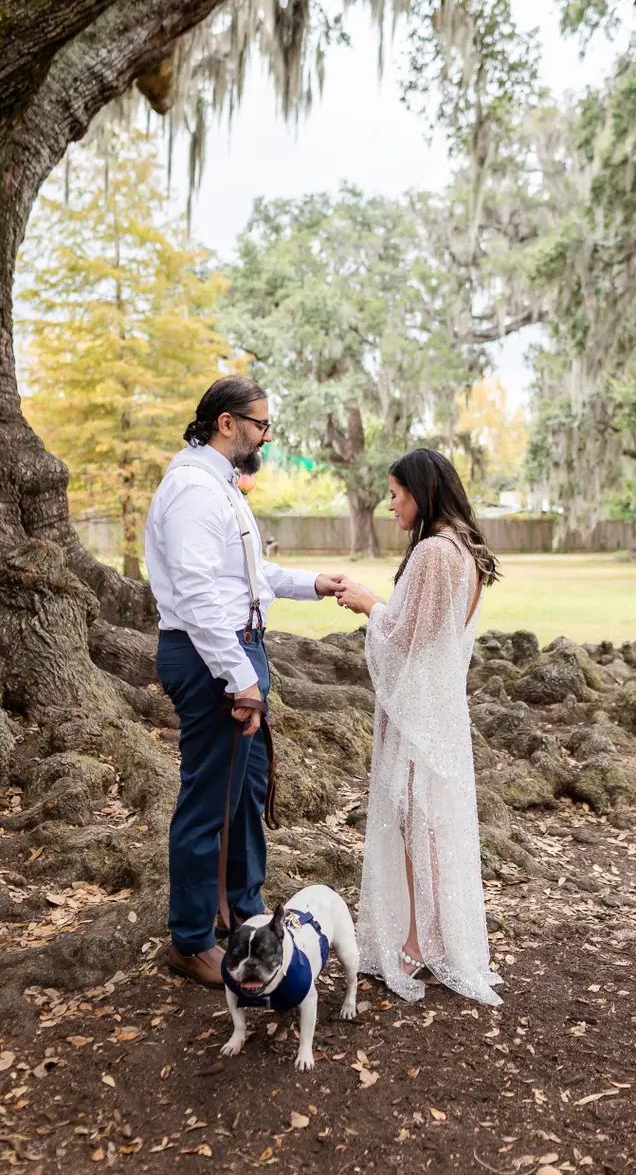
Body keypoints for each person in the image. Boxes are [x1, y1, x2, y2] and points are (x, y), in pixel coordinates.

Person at [145, 376, 344, 988]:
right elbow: (200, 597)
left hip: (238, 653)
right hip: (211, 660)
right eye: (261, 425)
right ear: (227, 423)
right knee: (209, 803)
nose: (265, 437)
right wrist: (238, 677)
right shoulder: (192, 492)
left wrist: (311, 583)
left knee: (247, 795)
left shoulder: (223, 488)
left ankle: (243, 907)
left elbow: (247, 578)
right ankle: (190, 940)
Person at [335, 448, 502, 1004]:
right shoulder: (463, 548)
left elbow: (408, 637)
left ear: (422, 492)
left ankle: (420, 942)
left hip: (422, 712)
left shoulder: (435, 551)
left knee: (417, 821)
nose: (391, 505)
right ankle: (431, 937)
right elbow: (427, 631)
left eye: (396, 493)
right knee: (425, 820)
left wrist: (366, 604)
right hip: (434, 706)